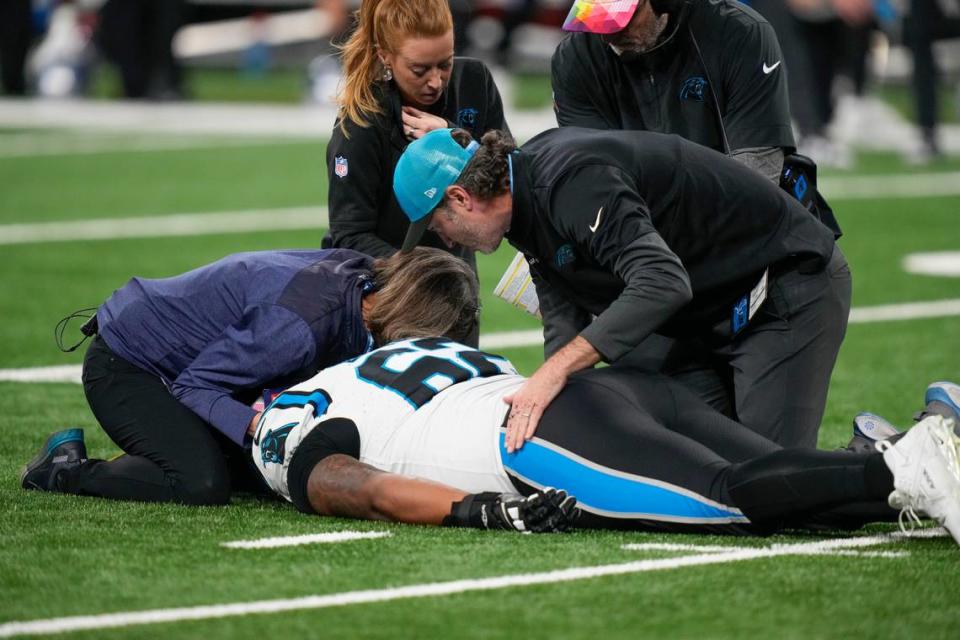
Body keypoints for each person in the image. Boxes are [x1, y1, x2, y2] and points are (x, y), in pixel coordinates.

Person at [395, 127, 851, 452]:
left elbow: (662, 282)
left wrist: (554, 374)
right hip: (706, 314)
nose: (449, 241)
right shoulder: (522, 203)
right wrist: (549, 405)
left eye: (440, 226)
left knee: (773, 482)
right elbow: (562, 321)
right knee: (691, 464)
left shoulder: (570, 181)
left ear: (459, 198)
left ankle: (886, 455)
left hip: (782, 285)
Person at [250, 337, 960, 543]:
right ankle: (909, 455)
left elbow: (356, 488)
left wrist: (478, 510)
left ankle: (905, 462)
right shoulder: (371, 364)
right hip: (608, 390)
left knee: (732, 501)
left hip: (536, 435)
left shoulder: (288, 420)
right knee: (783, 485)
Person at [20, 247, 479, 506]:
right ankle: (68, 471)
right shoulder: (298, 327)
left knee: (268, 474)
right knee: (201, 483)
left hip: (192, 364)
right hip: (130, 364)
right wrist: (253, 425)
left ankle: (170, 445)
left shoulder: (364, 284)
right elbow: (195, 386)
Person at [322, 0, 509, 274]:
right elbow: (349, 236)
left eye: (445, 64)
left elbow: (511, 174)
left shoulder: (474, 81)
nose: (435, 81)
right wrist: (425, 277)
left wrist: (460, 141)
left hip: (455, 274)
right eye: (419, 70)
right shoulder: (362, 120)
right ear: (385, 56)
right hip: (383, 287)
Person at [553, 0, 794, 182]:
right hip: (638, 228)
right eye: (597, 20)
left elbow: (757, 177)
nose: (609, 37)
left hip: (735, 218)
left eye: (623, 19)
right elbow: (592, 175)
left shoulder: (740, 34)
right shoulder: (575, 59)